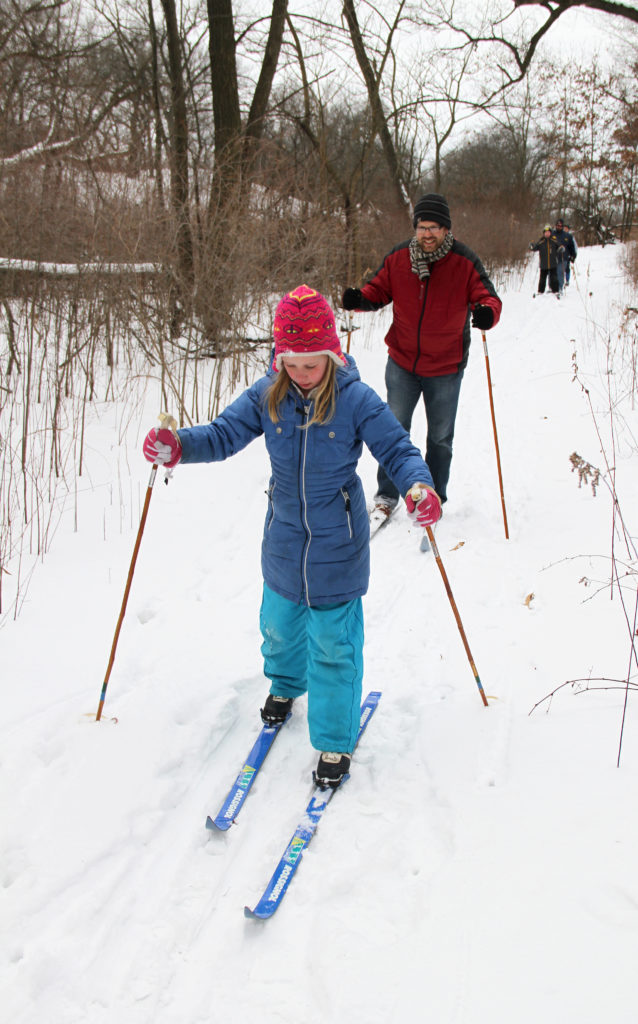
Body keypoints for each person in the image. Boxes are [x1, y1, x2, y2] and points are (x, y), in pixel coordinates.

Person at [142, 284, 440, 788]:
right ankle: (285, 682)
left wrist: (417, 485)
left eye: (312, 363)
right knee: (278, 625)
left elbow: (398, 447)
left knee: (333, 644)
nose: (301, 374)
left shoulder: (356, 399)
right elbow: (221, 434)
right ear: (279, 358)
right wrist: (177, 447)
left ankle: (333, 739)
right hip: (282, 537)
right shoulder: (268, 394)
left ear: (332, 354)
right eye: (292, 363)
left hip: (338, 544)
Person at [341, 193, 502, 519]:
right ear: (415, 228)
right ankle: (386, 497)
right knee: (392, 430)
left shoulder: (464, 261)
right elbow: (379, 290)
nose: (427, 233)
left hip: (444, 366)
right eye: (422, 227)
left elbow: (488, 296)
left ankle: (435, 498)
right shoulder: (400, 257)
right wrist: (359, 298)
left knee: (440, 439)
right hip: (402, 362)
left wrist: (486, 313)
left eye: (435, 227)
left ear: (446, 229)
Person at [530, 225, 560, 296]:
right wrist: (532, 246)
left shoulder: (554, 240)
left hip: (553, 263)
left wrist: (561, 248)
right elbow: (535, 247)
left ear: (550, 233)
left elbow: (560, 246)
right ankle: (540, 291)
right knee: (542, 279)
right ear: (544, 233)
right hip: (544, 263)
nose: (547, 234)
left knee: (554, 278)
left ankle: (556, 291)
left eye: (548, 232)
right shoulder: (541, 241)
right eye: (545, 232)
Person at [552, 218, 576, 294]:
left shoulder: (567, 236)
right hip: (553, 257)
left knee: (560, 273)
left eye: (560, 226)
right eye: (558, 225)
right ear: (555, 226)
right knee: (552, 273)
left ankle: (560, 288)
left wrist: (573, 256)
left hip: (563, 257)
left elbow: (572, 247)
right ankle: (552, 287)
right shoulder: (552, 234)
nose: (559, 227)